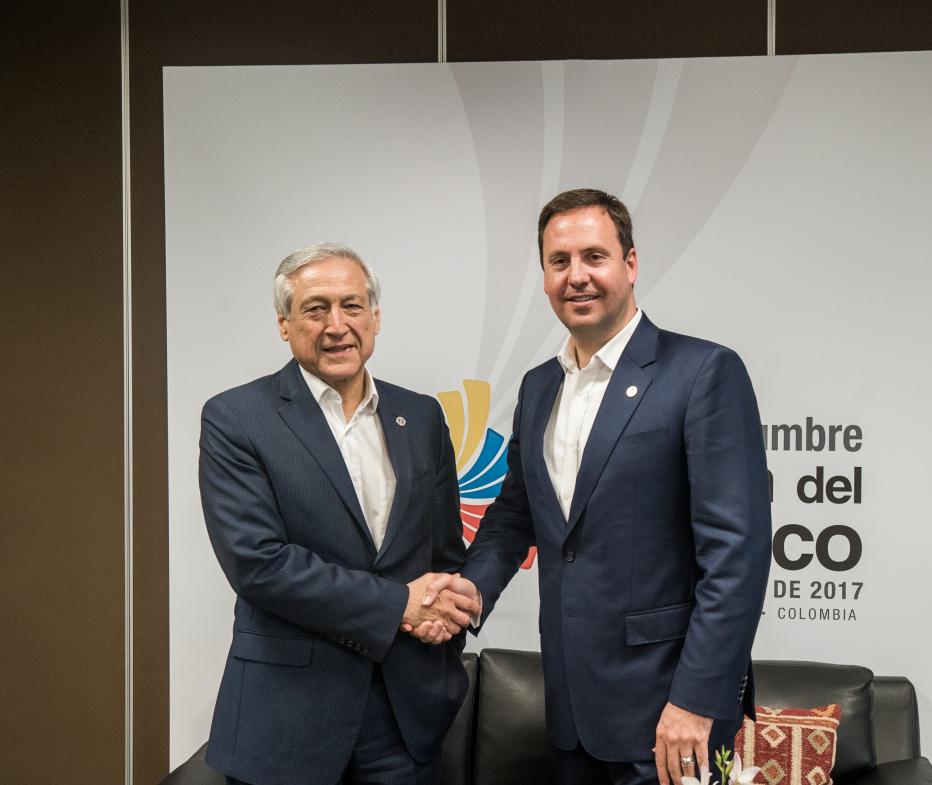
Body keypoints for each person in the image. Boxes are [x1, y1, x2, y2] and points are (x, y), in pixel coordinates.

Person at [421, 189, 772, 785]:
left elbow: (737, 557)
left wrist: (697, 701)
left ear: (630, 265)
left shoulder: (703, 373)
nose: (576, 277)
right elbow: (512, 519)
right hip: (572, 711)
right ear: (544, 277)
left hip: (671, 716)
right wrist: (468, 595)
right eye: (559, 262)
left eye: (594, 257)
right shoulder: (538, 388)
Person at [199, 242, 478, 785]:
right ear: (283, 324)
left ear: (375, 317)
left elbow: (443, 551)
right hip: (287, 717)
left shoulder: (420, 416)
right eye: (315, 308)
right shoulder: (236, 417)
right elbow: (257, 563)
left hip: (405, 718)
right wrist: (400, 603)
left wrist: (443, 610)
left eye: (352, 305)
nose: (337, 324)